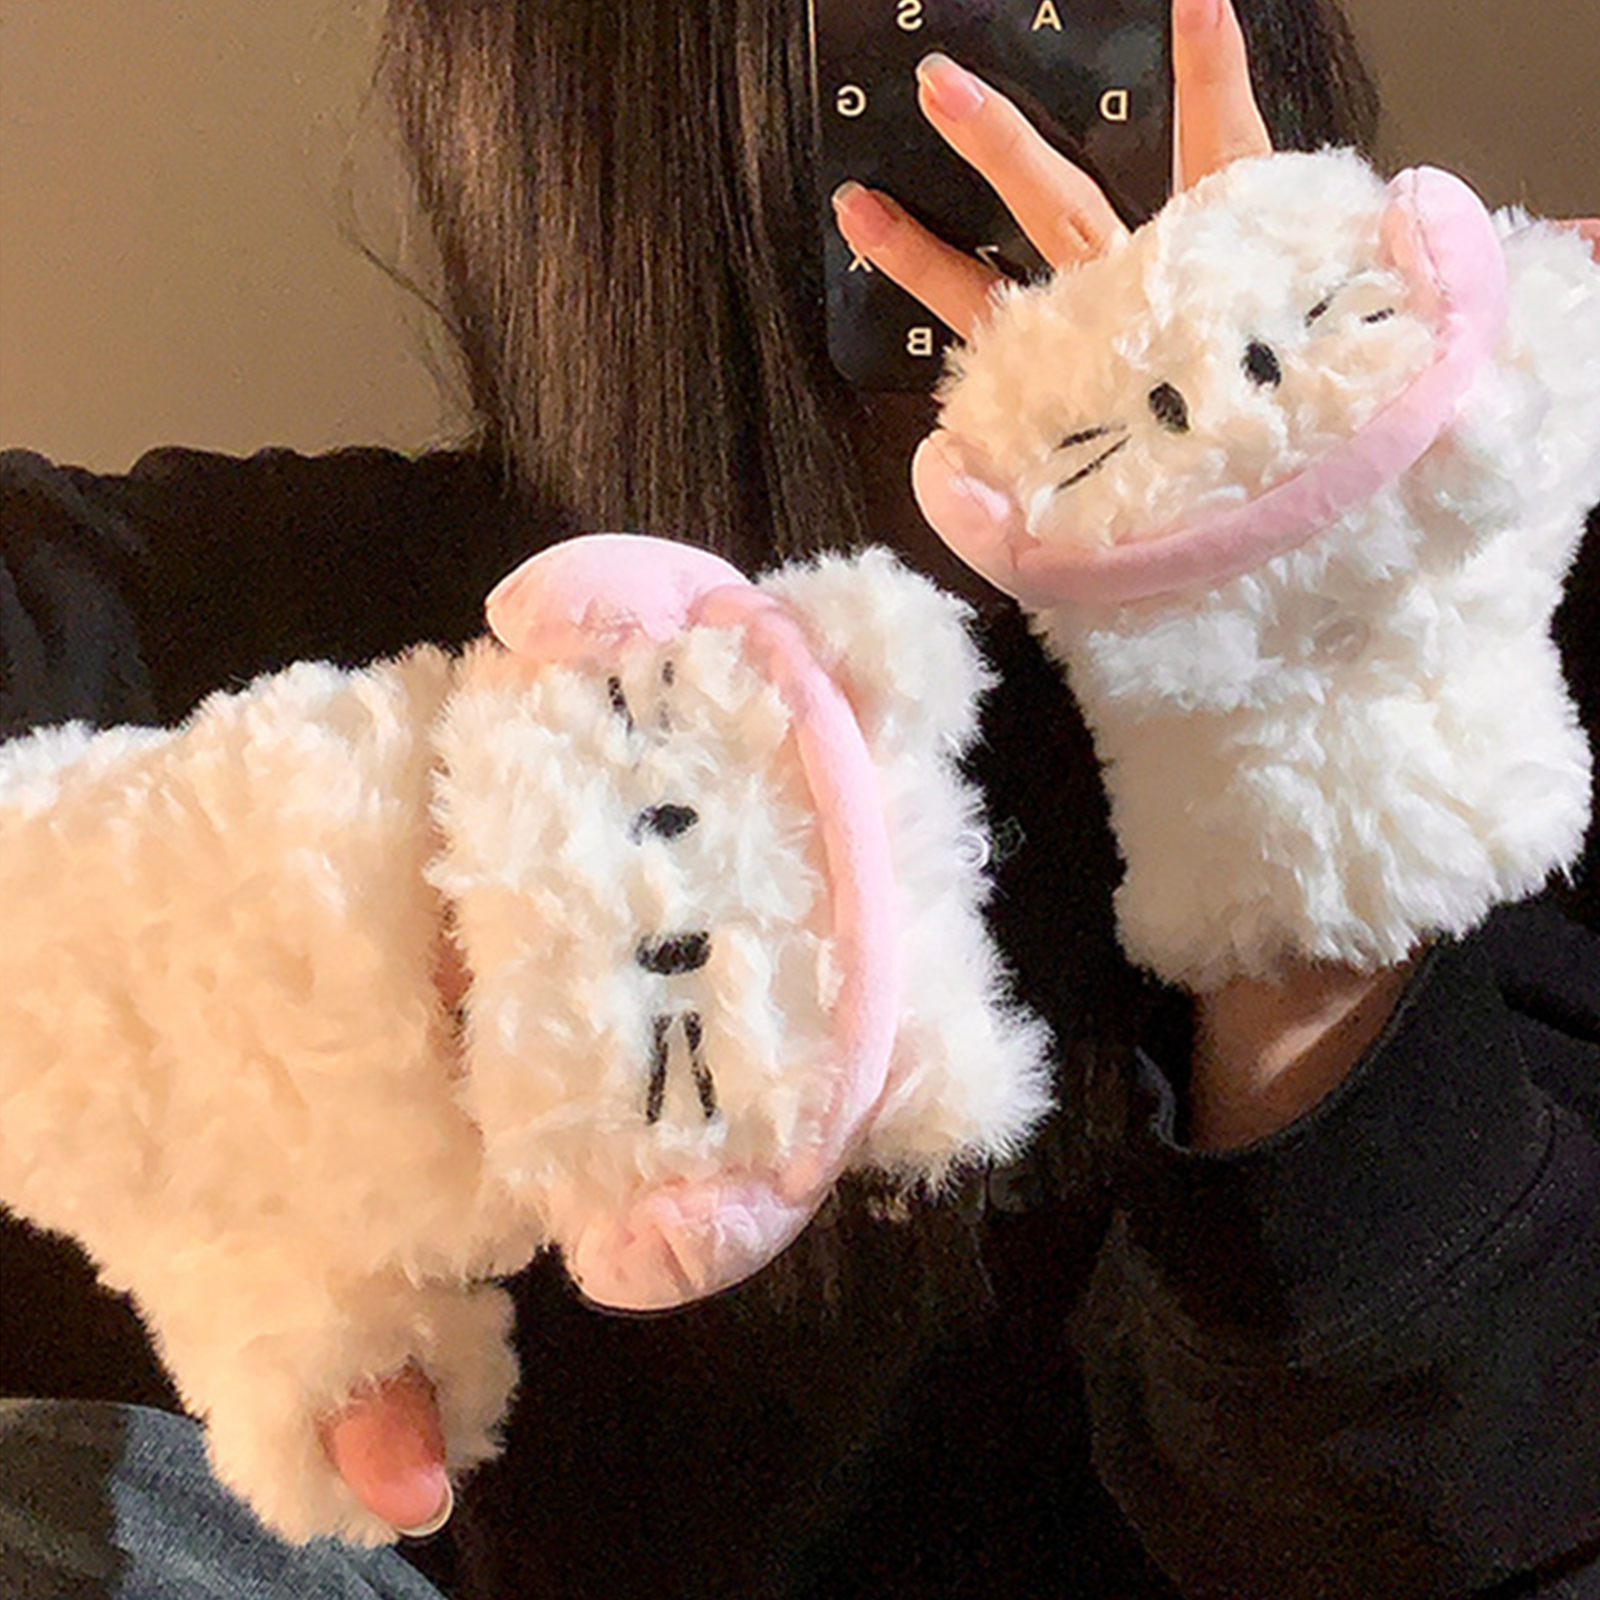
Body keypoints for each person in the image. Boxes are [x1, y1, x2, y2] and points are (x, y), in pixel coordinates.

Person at [2, 0, 1598, 1594]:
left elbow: (1454, 1522)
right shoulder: (292, 634)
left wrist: (1315, 732)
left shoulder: (1498, 604)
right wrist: (177, 915)